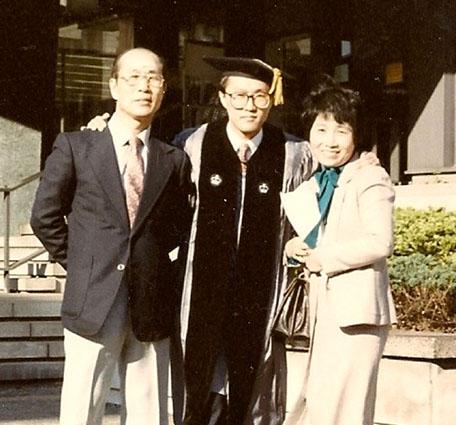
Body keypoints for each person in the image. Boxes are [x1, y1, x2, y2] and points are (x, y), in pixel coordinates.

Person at [30, 47, 193, 425]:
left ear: (164, 89)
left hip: (150, 300)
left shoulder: (174, 159)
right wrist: (84, 263)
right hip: (93, 298)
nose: (144, 86)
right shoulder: (77, 146)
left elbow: (177, 226)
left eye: (153, 78)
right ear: (114, 86)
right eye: (134, 77)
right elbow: (44, 216)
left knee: (150, 409)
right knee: (82, 407)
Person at [176, 56, 314, 425]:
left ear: (271, 98)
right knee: (200, 384)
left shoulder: (294, 153)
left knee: (249, 388)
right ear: (222, 98)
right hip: (202, 288)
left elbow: (311, 217)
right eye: (238, 96)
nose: (249, 105)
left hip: (260, 291)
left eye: (259, 96)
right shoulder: (193, 144)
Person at [281, 75, 397, 424]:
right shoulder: (317, 179)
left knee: (345, 410)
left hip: (356, 315)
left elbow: (381, 241)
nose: (330, 142)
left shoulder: (369, 177)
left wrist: (324, 258)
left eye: (341, 131)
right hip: (325, 310)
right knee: (320, 404)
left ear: (356, 135)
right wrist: (294, 248)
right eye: (321, 130)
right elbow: (314, 234)